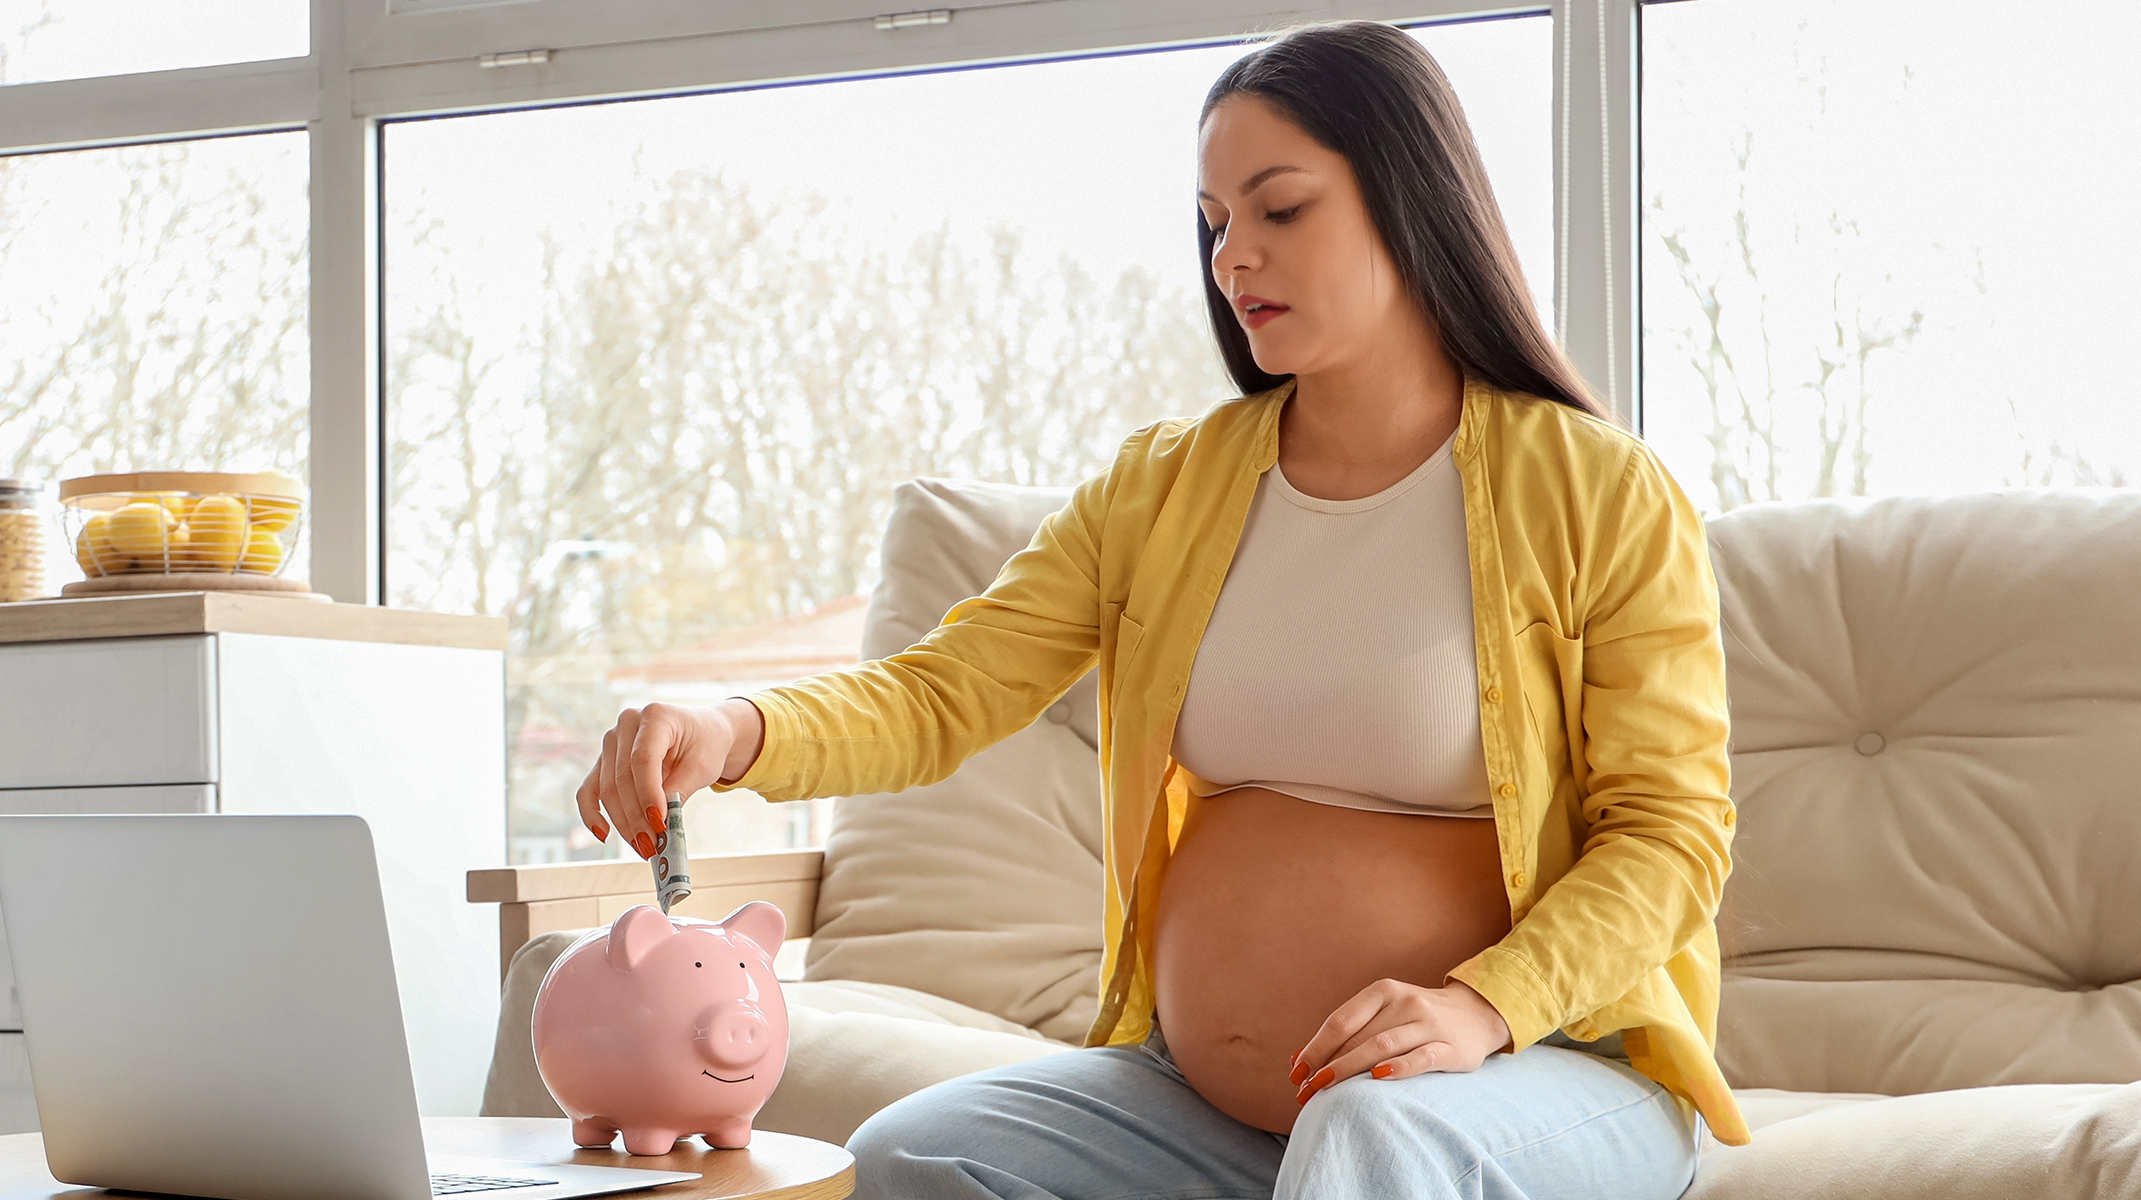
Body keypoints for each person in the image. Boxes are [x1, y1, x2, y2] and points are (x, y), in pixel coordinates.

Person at [578, 19, 1749, 1199]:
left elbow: (1670, 835)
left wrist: (1481, 1006)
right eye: (1214, 221)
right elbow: (948, 686)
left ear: (1409, 199)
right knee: (916, 1153)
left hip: (1546, 1072)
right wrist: (731, 733)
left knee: (1370, 1135)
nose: (1232, 257)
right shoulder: (1165, 487)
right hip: (1219, 1107)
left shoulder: (1597, 489)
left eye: (1279, 209)